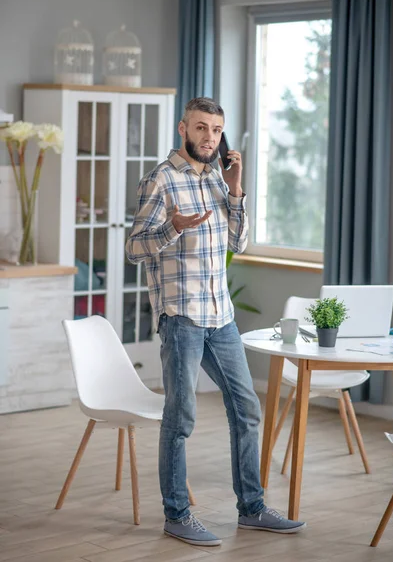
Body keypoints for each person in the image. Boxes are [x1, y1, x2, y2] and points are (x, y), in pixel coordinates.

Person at [125, 97, 306, 546]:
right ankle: (177, 514)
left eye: (217, 130)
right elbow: (134, 248)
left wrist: (237, 191)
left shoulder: (218, 180)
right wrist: (173, 227)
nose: (210, 137)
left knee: (245, 409)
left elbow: (237, 243)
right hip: (181, 316)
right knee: (181, 415)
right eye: (202, 128)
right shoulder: (160, 180)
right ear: (184, 127)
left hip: (220, 316)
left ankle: (253, 508)